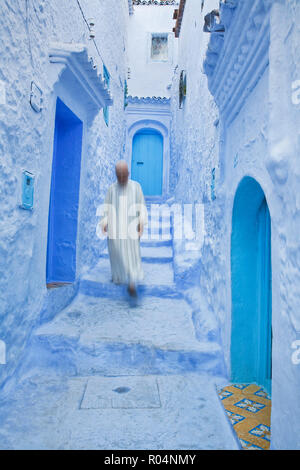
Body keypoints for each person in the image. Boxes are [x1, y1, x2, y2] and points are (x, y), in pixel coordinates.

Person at [100, 160, 148, 297]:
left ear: (128, 173)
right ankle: (119, 277)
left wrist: (141, 226)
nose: (121, 178)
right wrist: (104, 223)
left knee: (132, 255)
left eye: (124, 175)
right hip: (115, 230)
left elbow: (142, 207)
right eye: (118, 176)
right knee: (116, 254)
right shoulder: (111, 189)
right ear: (115, 175)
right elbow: (106, 208)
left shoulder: (136, 187)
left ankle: (132, 282)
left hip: (131, 228)